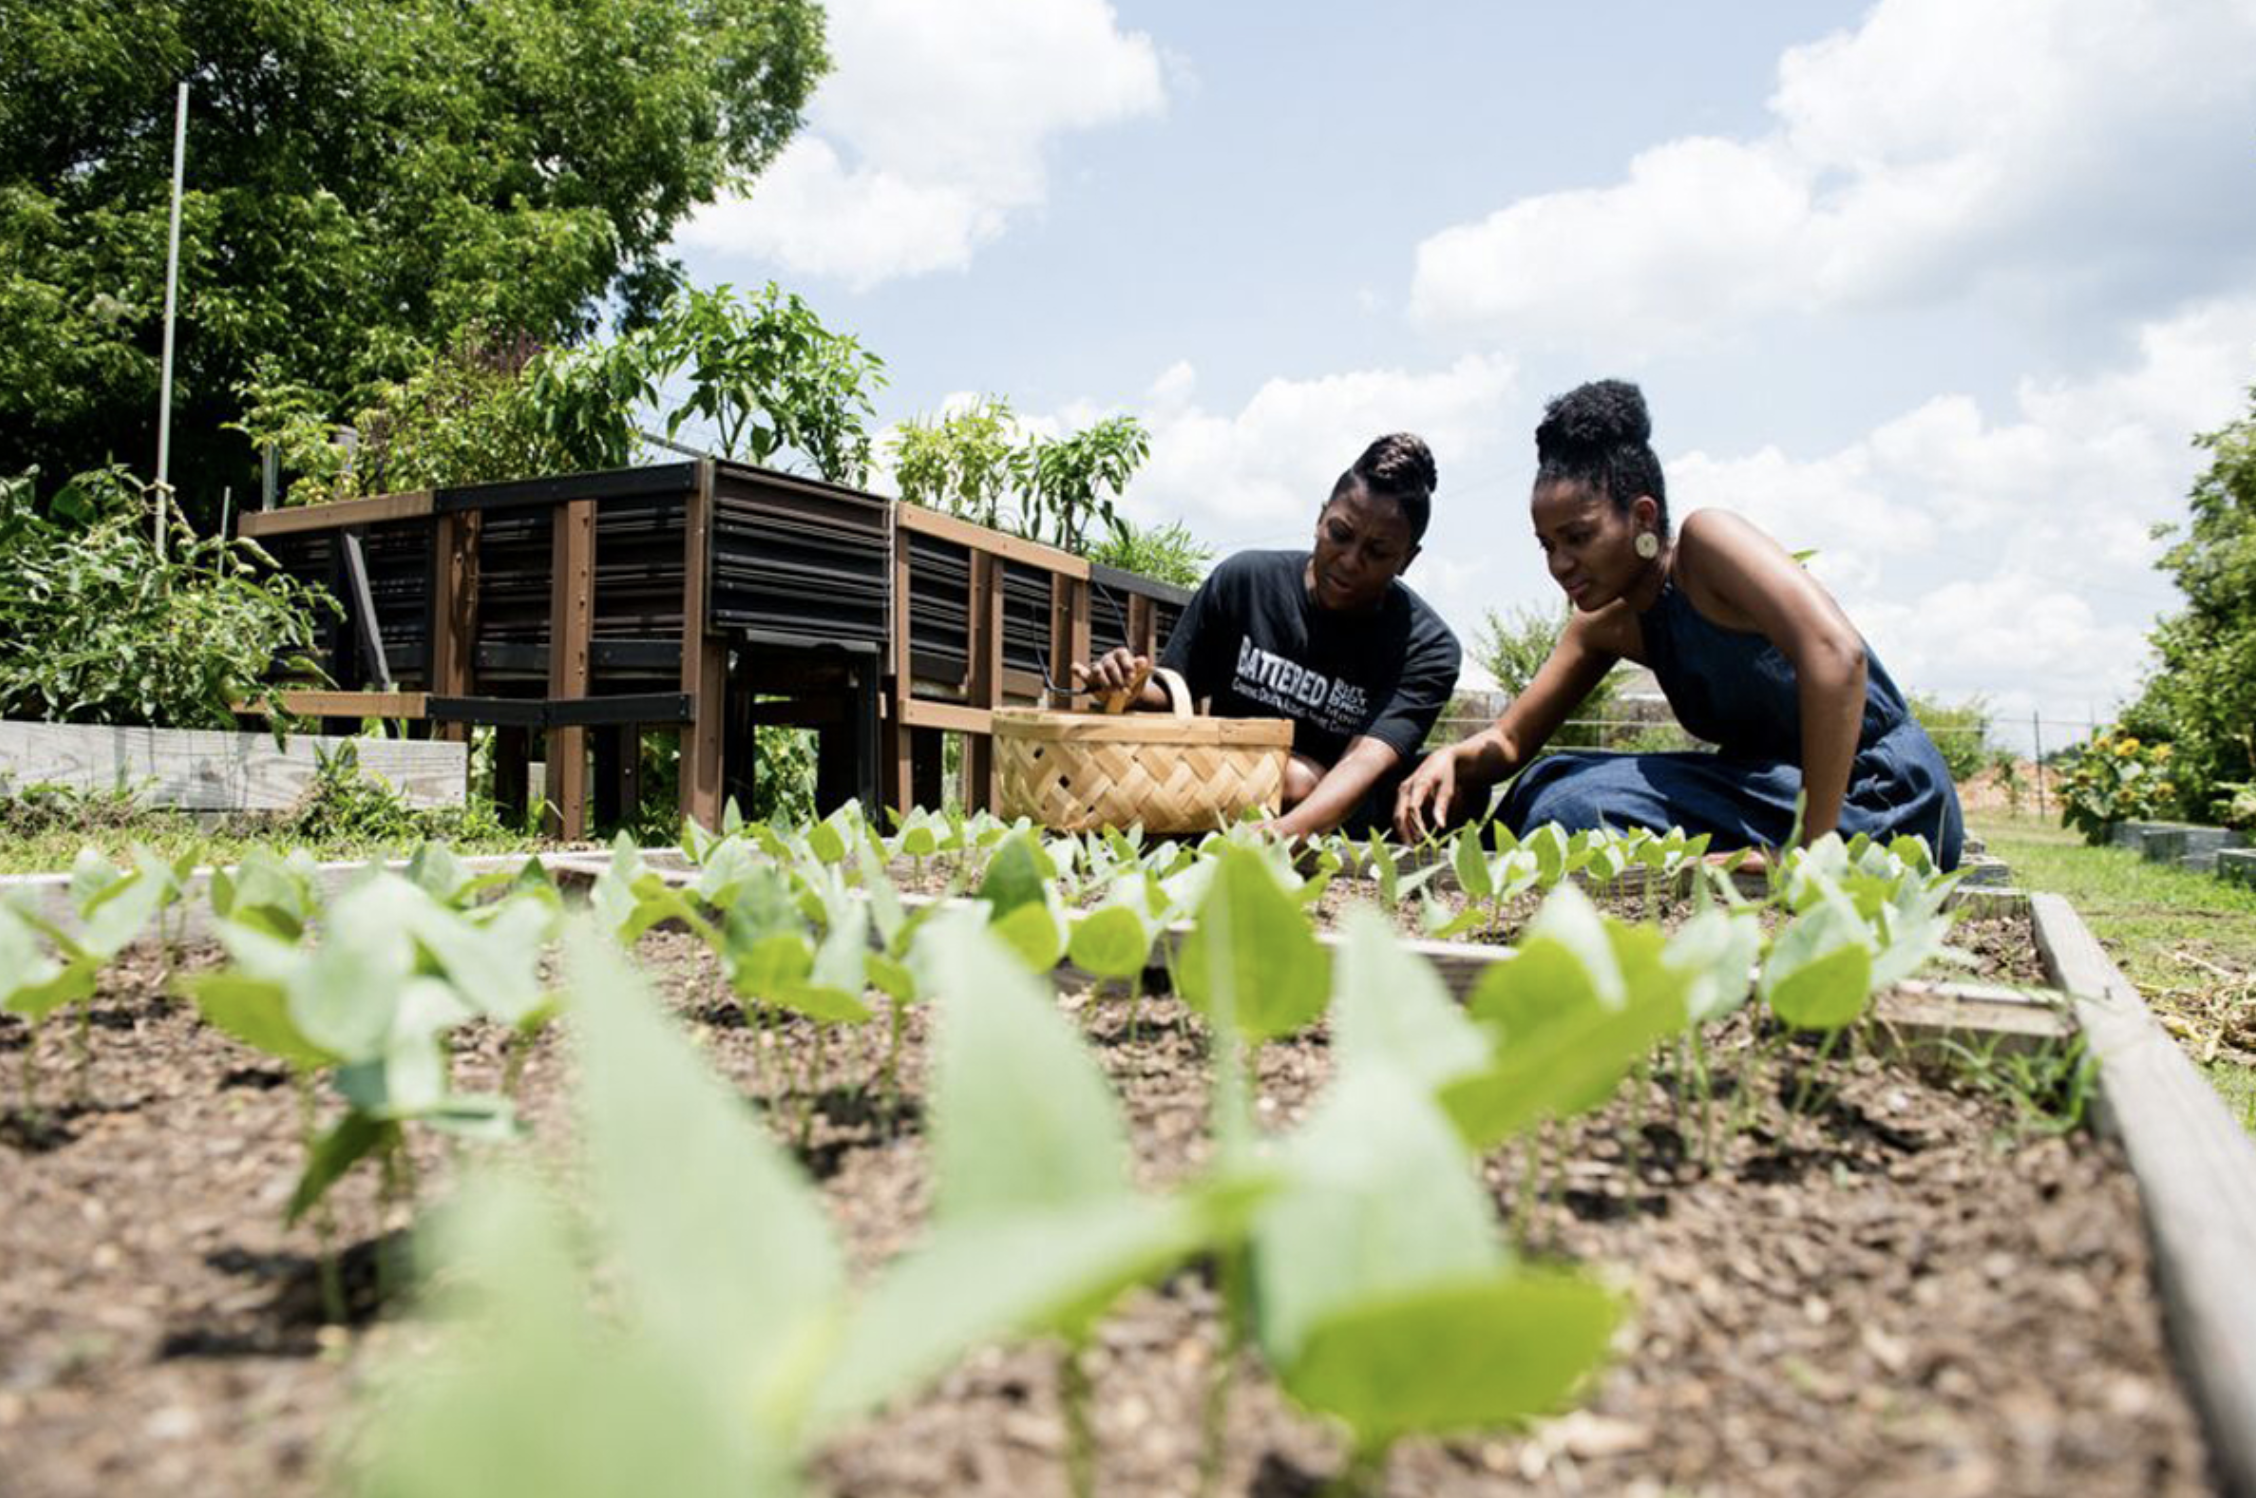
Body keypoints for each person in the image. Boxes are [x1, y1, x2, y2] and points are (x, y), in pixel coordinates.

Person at [1395, 380, 1963, 869]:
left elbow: (1839, 658)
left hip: (1878, 796)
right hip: (1771, 785)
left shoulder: (1706, 546)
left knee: (1566, 810)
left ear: (1642, 516)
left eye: (1579, 537)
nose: (1560, 563)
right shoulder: (1604, 622)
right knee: (1547, 782)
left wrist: (1809, 855)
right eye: (1547, 545)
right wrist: (1454, 757)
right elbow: (1512, 739)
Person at [1074, 433, 1462, 839]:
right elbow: (1176, 691)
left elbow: (1364, 760)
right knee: (1295, 778)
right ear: (1319, 518)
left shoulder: (1426, 646)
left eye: (1377, 552)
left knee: (1458, 792)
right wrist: (1129, 687)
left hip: (1346, 806)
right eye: (1340, 534)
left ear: (1407, 559)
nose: (1350, 561)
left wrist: (1287, 832)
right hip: (1233, 783)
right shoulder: (1244, 581)